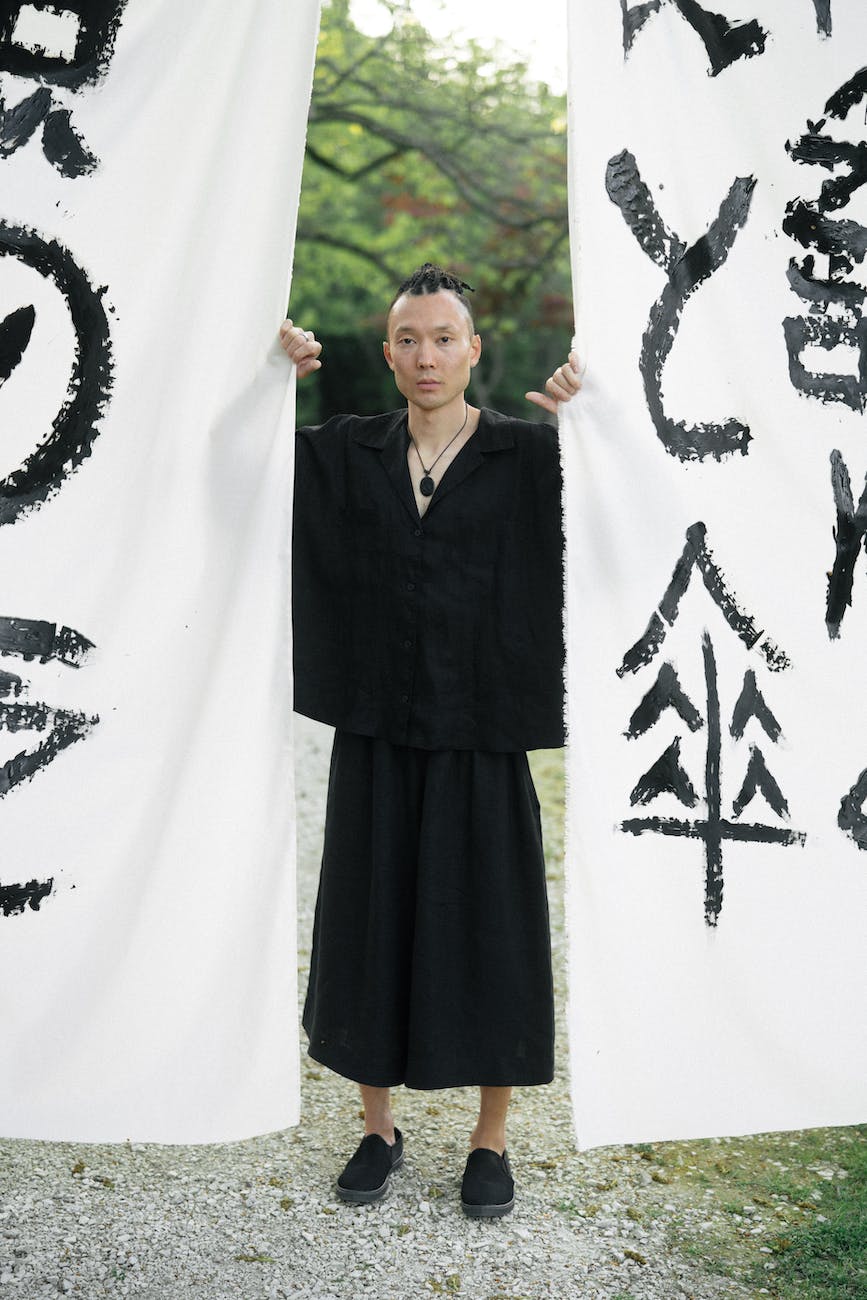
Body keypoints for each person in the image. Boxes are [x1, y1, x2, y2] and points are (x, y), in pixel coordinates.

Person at [280, 263, 581, 1218]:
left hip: (484, 729)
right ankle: (377, 1127)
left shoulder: (532, 457)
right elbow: (228, 467)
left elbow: (636, 487)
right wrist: (264, 381)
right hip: (378, 724)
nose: (425, 356)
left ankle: (490, 1141)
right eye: (407, 338)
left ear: (473, 350)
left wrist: (592, 411)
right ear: (386, 351)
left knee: (493, 927)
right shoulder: (345, 453)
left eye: (443, 337)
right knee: (369, 922)